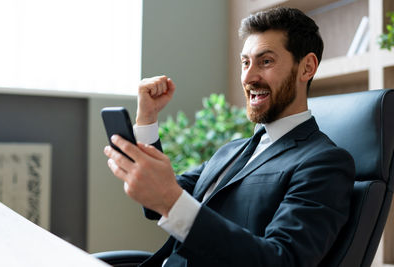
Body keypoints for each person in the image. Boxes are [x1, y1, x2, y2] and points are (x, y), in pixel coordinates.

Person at [104, 7, 355, 267]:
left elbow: (282, 261)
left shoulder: (325, 163)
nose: (248, 77)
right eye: (245, 62)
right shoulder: (231, 150)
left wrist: (170, 200)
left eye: (266, 61)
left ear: (307, 68)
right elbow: (157, 202)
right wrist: (147, 119)